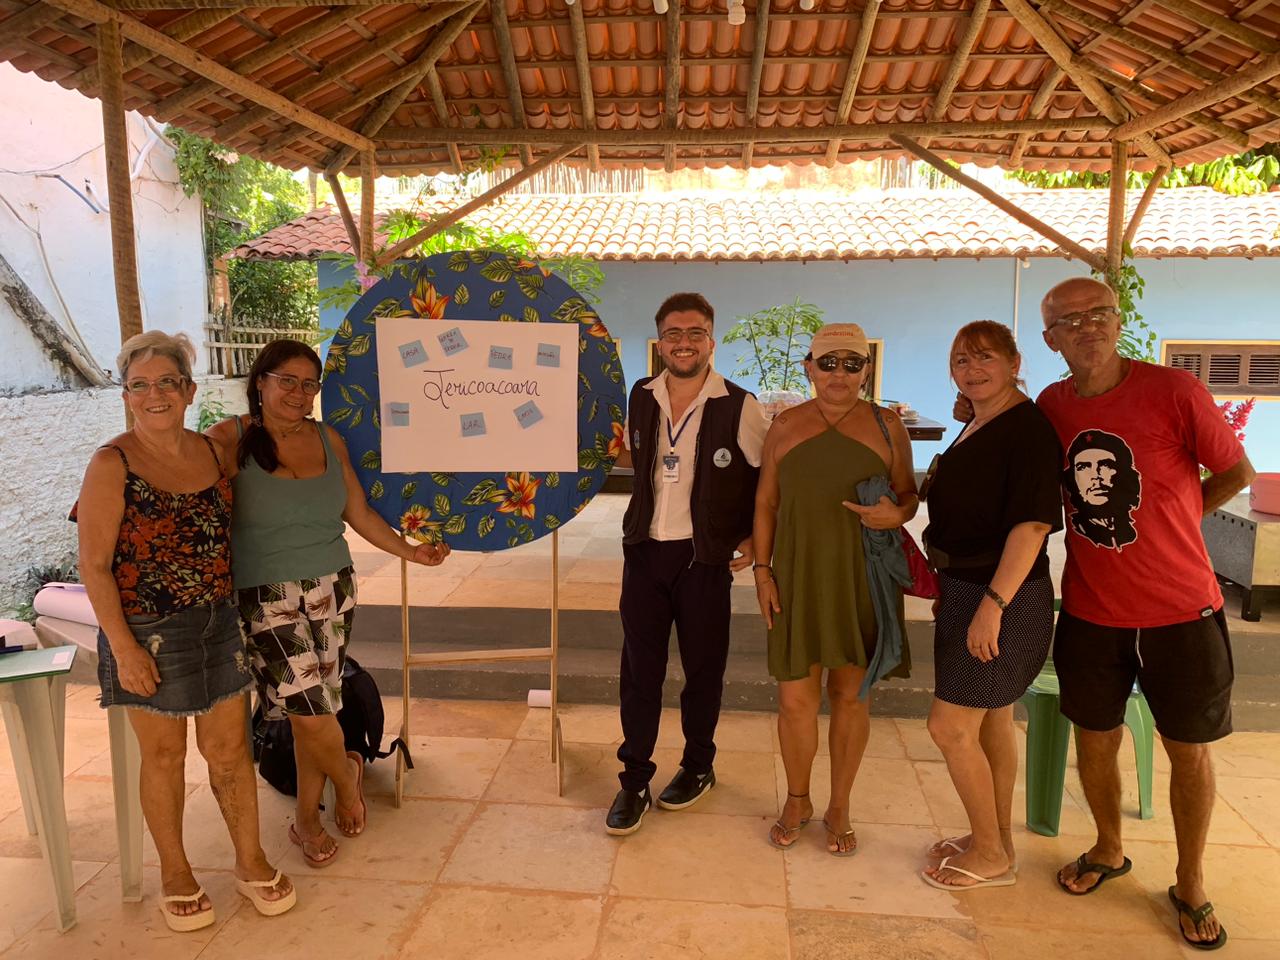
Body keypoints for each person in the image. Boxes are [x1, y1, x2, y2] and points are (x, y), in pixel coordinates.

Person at [1036, 277, 1255, 949]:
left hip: (1181, 611)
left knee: (1187, 750)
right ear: (1051, 339)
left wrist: (1181, 515)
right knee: (1094, 738)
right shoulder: (1052, 404)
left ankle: (1190, 881)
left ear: (1117, 319)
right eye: (1070, 321)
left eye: (1099, 313)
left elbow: (1237, 472)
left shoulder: (1174, 391)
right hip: (1091, 611)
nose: (1088, 327)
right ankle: (1108, 848)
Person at [75, 331, 295, 931]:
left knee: (229, 750)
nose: (155, 395)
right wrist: (123, 648)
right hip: (145, 630)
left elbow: (275, 416)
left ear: (189, 390)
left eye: (167, 382)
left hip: (218, 620)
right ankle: (175, 872)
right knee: (164, 755)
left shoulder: (214, 452)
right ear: (126, 396)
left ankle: (250, 861)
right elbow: (92, 564)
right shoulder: (111, 463)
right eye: (139, 385)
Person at [208, 339, 450, 867]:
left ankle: (306, 822)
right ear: (260, 382)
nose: (299, 393)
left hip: (333, 589)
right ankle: (347, 775)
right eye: (286, 381)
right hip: (264, 596)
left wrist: (411, 552)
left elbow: (357, 513)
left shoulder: (327, 437)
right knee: (312, 710)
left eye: (308, 384)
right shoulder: (229, 438)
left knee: (312, 712)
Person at [605, 292, 768, 835]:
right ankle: (634, 780)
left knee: (702, 670)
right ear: (660, 342)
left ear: (710, 341)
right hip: (644, 551)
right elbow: (641, 457)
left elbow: (768, 475)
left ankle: (699, 766)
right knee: (639, 673)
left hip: (703, 559)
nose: (684, 342)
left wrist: (754, 536)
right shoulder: (641, 395)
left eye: (695, 333)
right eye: (674, 333)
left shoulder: (739, 404)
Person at [753, 323, 917, 855]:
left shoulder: (887, 425)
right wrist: (762, 572)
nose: (839, 374)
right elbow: (766, 503)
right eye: (828, 363)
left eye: (851, 363)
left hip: (862, 577)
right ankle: (797, 798)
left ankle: (840, 804)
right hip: (797, 574)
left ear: (866, 370)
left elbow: (909, 494)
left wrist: (898, 514)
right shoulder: (786, 425)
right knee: (795, 699)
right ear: (809, 368)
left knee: (850, 696)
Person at [918, 321, 1062, 890]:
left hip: (1004, 596)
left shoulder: (1027, 429)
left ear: (1013, 362)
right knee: (993, 720)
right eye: (961, 360)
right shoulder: (980, 420)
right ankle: (994, 840)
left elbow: (1031, 526)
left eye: (984, 358)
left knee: (950, 728)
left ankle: (990, 854)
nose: (972, 369)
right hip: (966, 588)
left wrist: (992, 605)